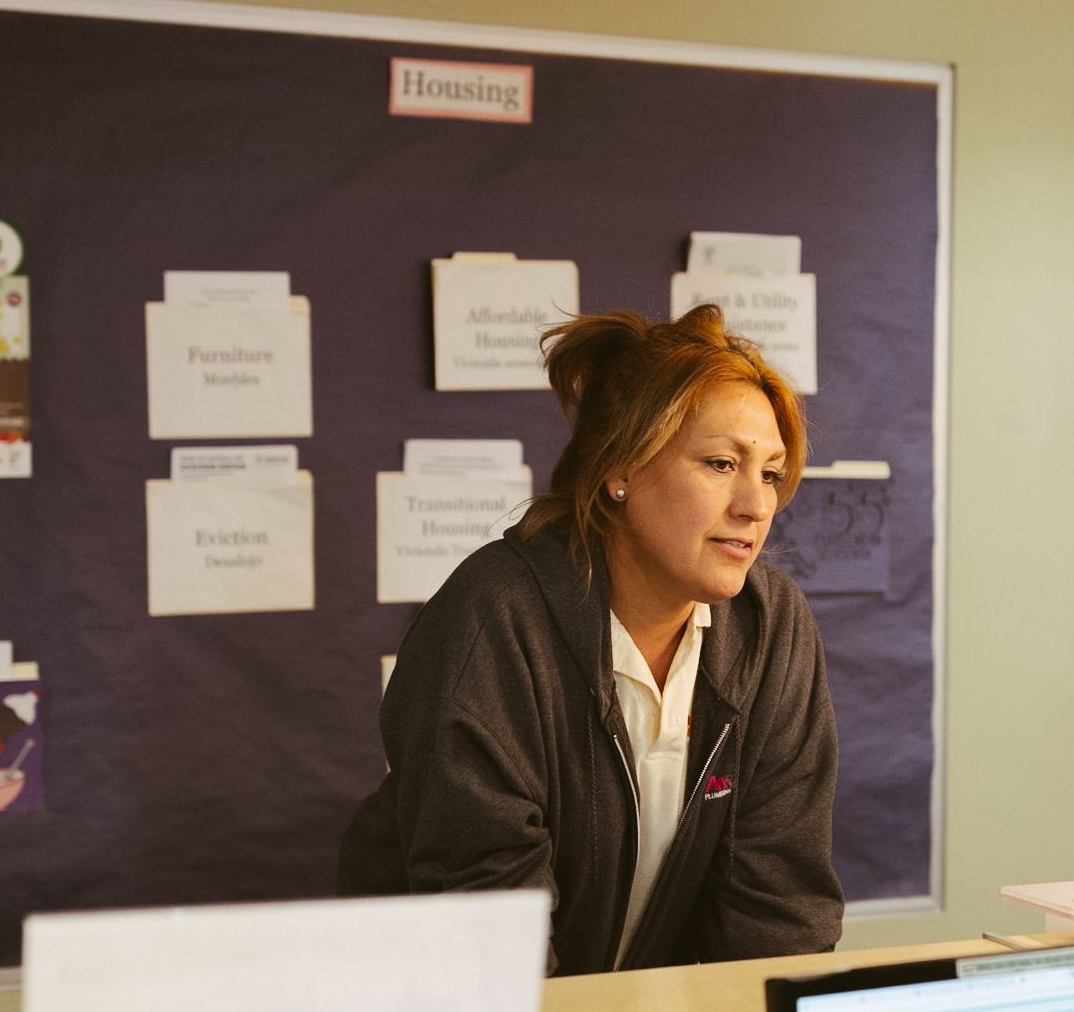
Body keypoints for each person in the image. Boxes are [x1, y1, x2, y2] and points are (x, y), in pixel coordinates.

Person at [338, 305, 843, 974]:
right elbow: (493, 930)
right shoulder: (495, 618)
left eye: (771, 474)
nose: (755, 505)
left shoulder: (769, 626)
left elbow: (778, 908)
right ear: (620, 469)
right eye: (721, 464)